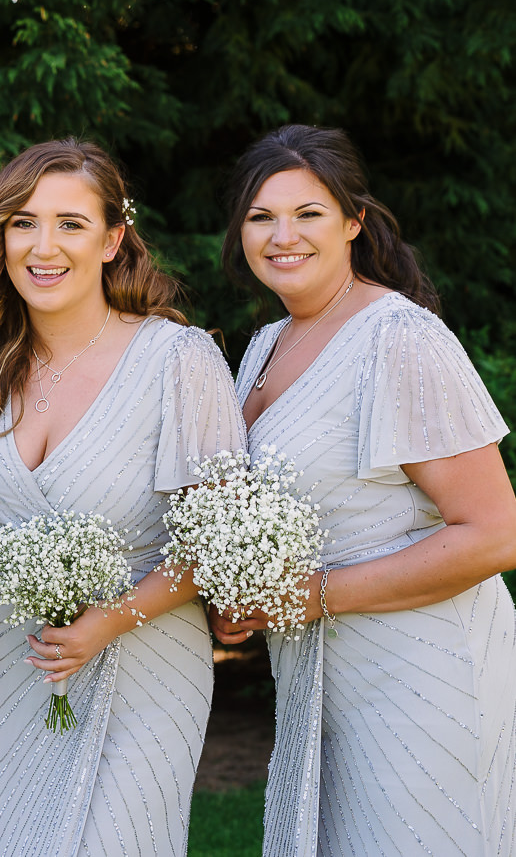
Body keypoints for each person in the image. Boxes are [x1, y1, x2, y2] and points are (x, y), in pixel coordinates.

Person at [0, 139, 247, 857]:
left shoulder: (175, 360)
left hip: (147, 660)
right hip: (8, 666)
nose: (45, 246)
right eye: (23, 223)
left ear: (112, 240)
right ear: (0, 238)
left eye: (71, 223)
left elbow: (220, 539)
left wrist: (112, 619)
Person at [210, 124, 516, 857]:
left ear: (353, 222)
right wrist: (241, 596)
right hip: (322, 671)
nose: (282, 235)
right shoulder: (265, 345)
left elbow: (494, 533)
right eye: (261, 217)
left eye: (308, 213)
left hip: (422, 670)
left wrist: (306, 595)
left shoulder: (398, 338)